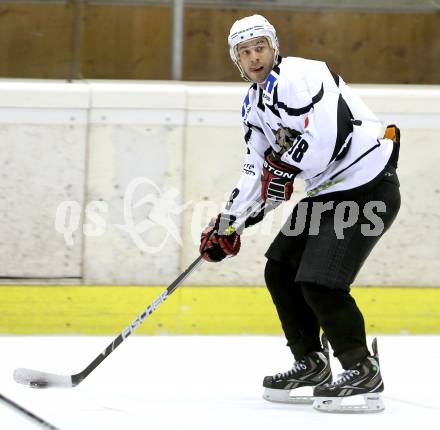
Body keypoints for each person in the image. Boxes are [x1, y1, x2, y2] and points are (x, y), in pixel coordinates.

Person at [199, 14, 400, 413]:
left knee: (320, 282)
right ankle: (310, 362)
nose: (254, 56)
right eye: (244, 51)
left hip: (367, 187)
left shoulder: (304, 74)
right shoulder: (254, 107)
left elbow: (328, 135)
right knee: (281, 268)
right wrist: (229, 220)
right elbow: (256, 168)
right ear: (236, 61)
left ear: (274, 47)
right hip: (328, 193)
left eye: (260, 47)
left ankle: (362, 368)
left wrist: (287, 168)